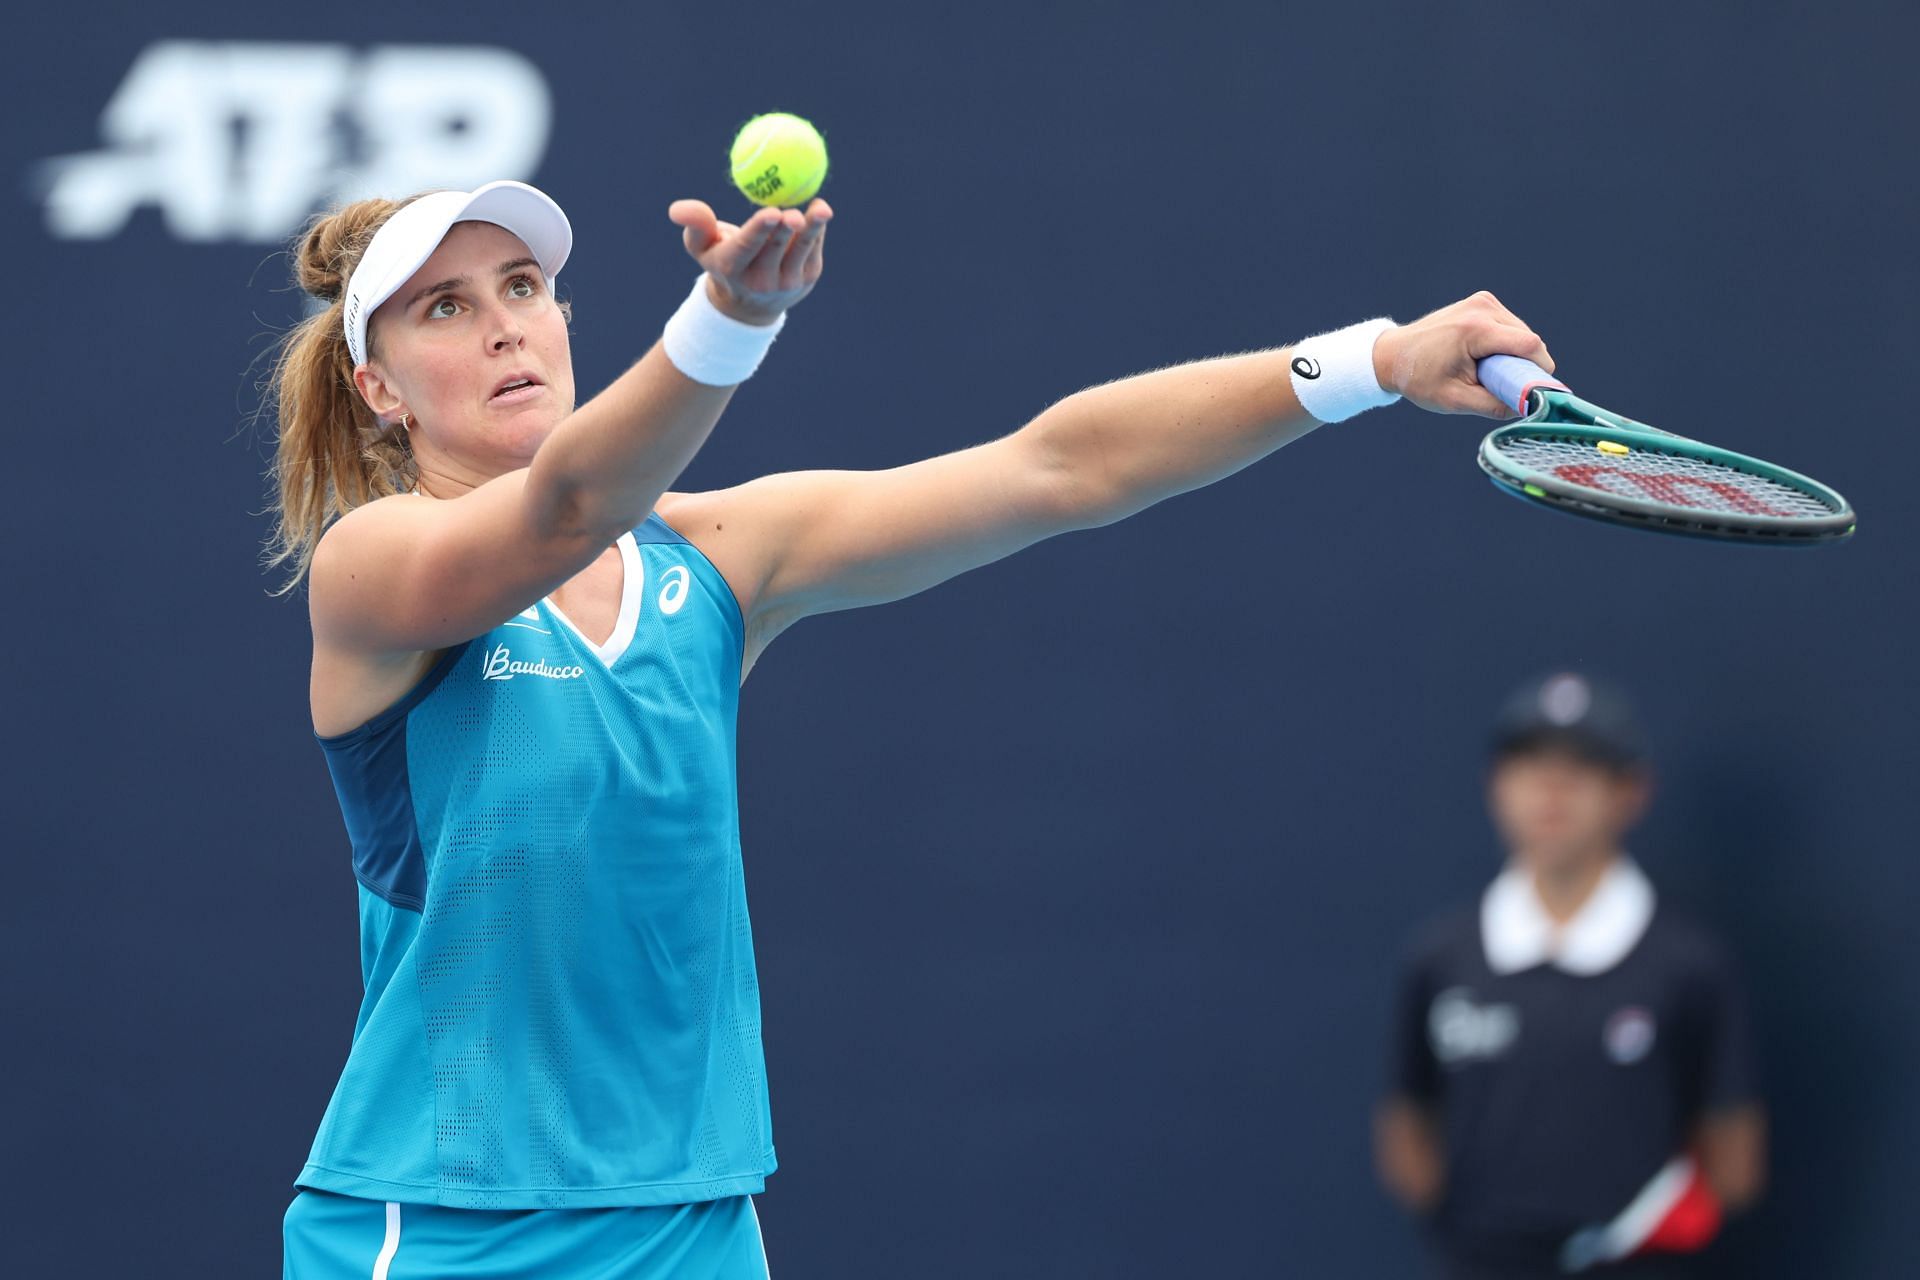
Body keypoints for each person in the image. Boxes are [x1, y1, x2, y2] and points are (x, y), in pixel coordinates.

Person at [268, 176, 1555, 1278]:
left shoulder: (716, 558)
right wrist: (728, 318)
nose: (505, 328)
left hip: (690, 1219)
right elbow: (563, 508)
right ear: (381, 389)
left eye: (520, 287)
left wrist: (1375, 361)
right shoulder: (372, 567)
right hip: (435, 1225)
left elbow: (1061, 467)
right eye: (447, 308)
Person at [1374, 673, 1767, 1279]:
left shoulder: (1689, 966)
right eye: (1530, 766)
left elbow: (1734, 1156)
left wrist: (1648, 1230)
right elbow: (1406, 1122)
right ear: (1495, 787)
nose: (1551, 791)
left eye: (1580, 768)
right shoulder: (1441, 958)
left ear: (1631, 792)